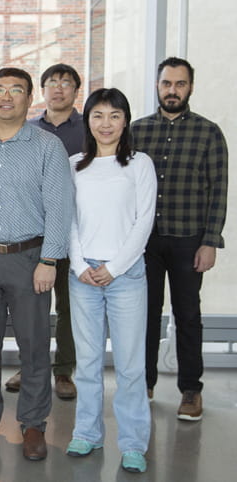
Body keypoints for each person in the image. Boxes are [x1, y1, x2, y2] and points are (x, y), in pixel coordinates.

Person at [0, 67, 73, 461]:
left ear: (28, 98)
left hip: (30, 259)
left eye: (16, 90)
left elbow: (59, 207)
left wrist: (49, 260)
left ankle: (33, 423)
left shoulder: (48, 146)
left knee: (34, 345)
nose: (6, 96)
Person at [131, 57, 228, 420]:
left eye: (180, 84)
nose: (172, 90)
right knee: (145, 315)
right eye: (167, 83)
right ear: (157, 86)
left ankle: (191, 390)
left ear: (190, 87)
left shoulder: (209, 133)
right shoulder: (137, 131)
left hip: (190, 240)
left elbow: (219, 191)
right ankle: (144, 384)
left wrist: (210, 241)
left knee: (188, 315)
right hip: (146, 242)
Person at [65, 87, 155, 473]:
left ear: (125, 121)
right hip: (83, 274)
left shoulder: (139, 164)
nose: (106, 124)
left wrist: (114, 267)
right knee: (87, 363)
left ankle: (133, 443)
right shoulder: (73, 165)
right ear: (87, 121)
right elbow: (67, 218)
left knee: (130, 366)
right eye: (98, 115)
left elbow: (144, 221)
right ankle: (87, 433)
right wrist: (78, 264)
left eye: (115, 116)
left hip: (126, 274)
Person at [7, 63, 86, 400]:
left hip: (77, 231)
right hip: (35, 231)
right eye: (52, 83)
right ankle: (30, 366)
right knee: (31, 306)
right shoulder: (28, 130)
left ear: (75, 91)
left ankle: (64, 370)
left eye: (66, 83)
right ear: (41, 91)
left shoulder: (88, 129)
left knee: (69, 305)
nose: (58, 88)